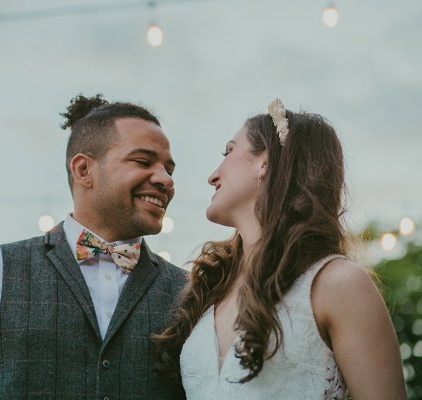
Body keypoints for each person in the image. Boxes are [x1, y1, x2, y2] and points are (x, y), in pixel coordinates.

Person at [0, 94, 187, 399]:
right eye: (143, 161)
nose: (164, 180)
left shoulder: (192, 293)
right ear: (83, 170)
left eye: (169, 170)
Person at [153, 99, 406, 399]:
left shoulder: (337, 283)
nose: (213, 176)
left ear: (266, 162)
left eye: (229, 151)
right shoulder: (210, 289)